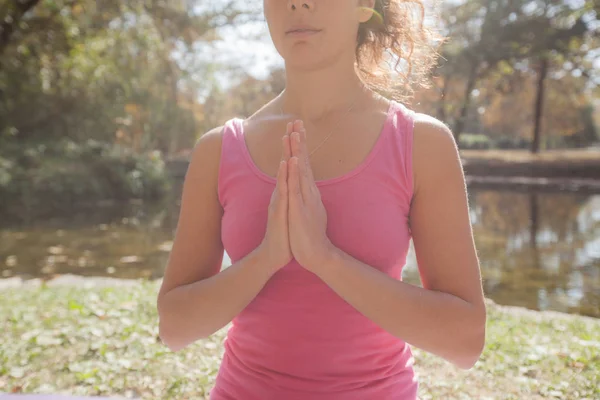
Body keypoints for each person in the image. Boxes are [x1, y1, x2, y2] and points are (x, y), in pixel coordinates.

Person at [157, 0, 486, 399]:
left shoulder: (420, 144)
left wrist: (324, 257)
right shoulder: (219, 150)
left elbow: (465, 342)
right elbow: (174, 328)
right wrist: (267, 257)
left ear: (365, 6)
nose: (297, 3)